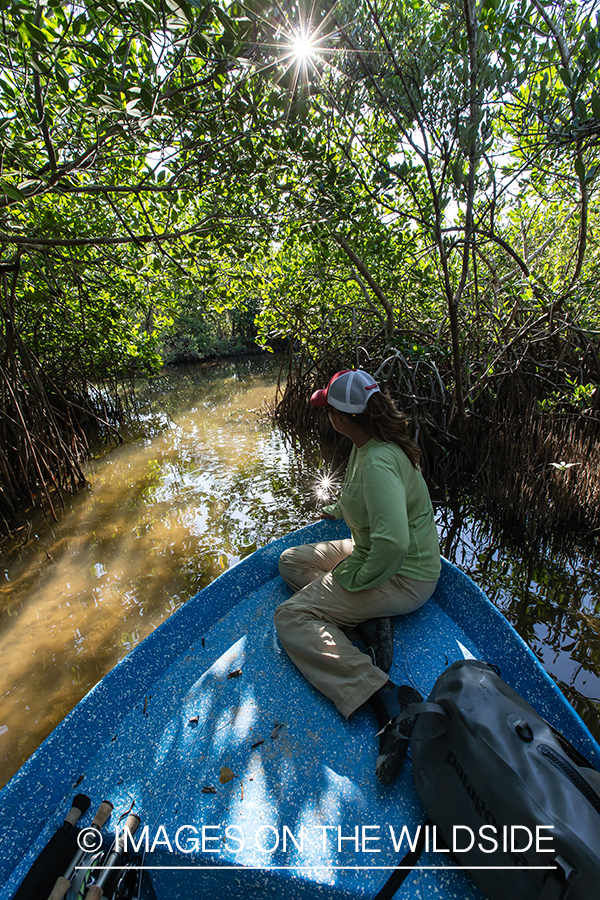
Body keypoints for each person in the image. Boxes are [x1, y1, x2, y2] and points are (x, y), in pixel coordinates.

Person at [273, 369, 441, 784]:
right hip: (375, 556)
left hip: (403, 576)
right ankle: (364, 619)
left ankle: (384, 696)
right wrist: (336, 512)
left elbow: (393, 544)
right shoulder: (370, 443)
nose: (325, 415)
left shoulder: (379, 461)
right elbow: (367, 505)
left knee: (290, 618)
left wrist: (354, 580)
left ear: (341, 417)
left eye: (327, 409)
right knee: (292, 561)